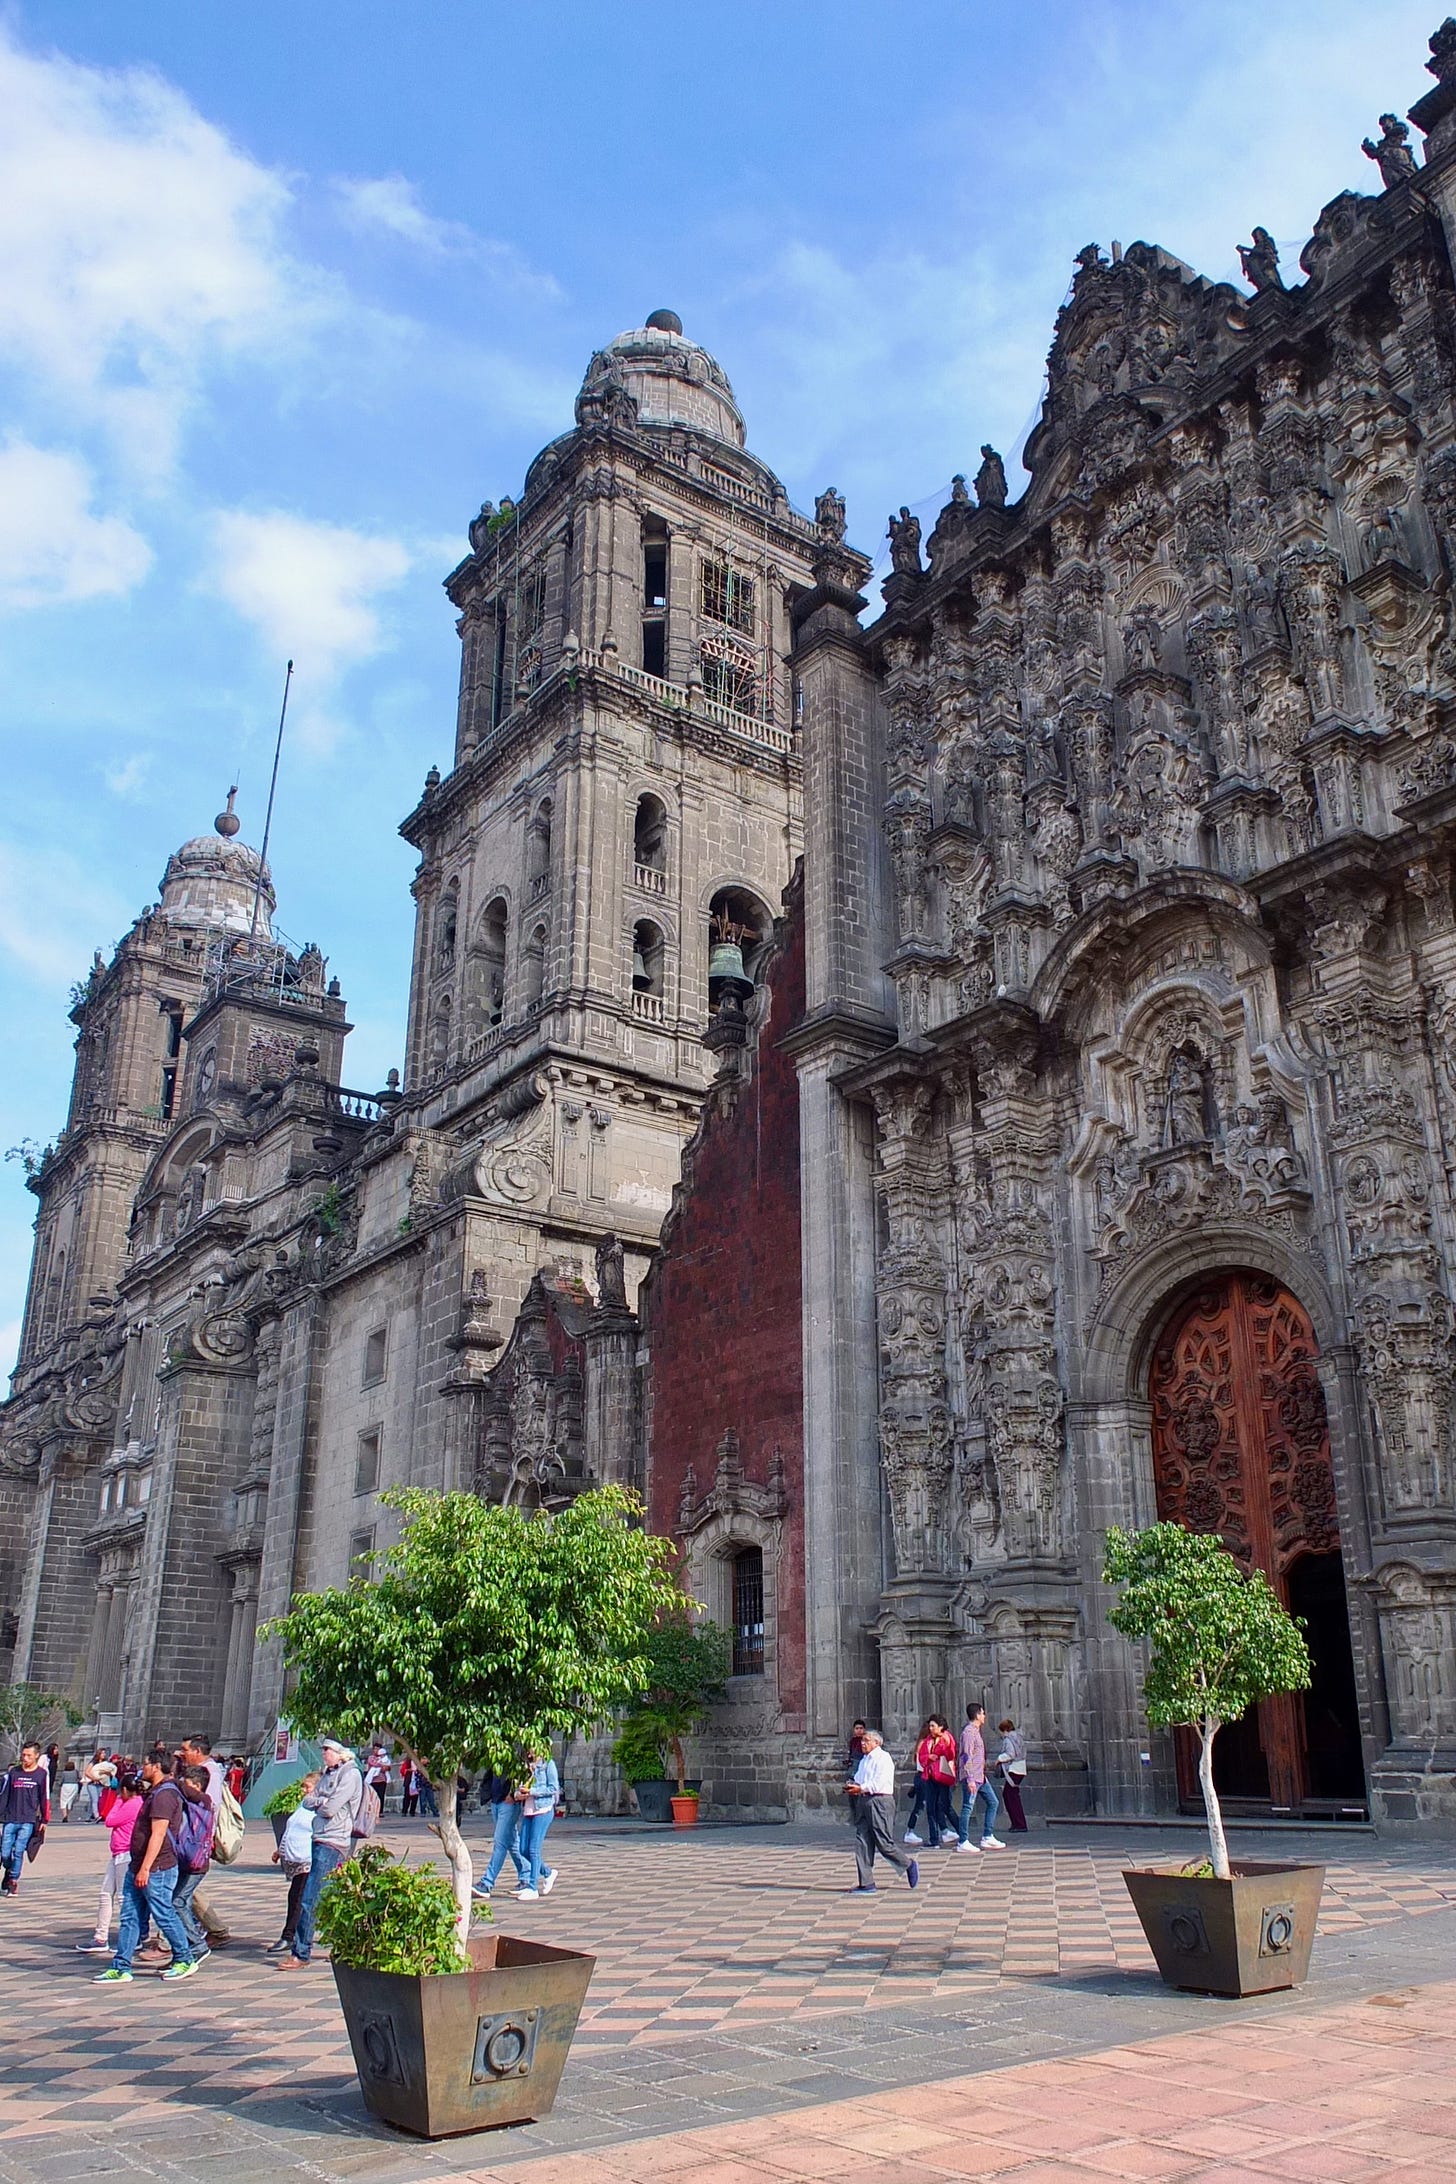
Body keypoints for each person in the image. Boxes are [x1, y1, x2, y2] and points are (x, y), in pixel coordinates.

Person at [93, 1753, 198, 1982]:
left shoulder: (165, 1795)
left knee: (164, 1914)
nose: (143, 1768)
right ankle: (121, 1966)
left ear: (157, 1767)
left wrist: (146, 1868)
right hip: (138, 1864)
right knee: (129, 1915)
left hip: (157, 1867)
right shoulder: (155, 1791)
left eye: (146, 1764)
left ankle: (185, 1958)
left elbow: (158, 1834)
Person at [279, 1736, 362, 1970]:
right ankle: (346, 1944)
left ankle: (301, 1952)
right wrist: (319, 1801)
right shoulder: (328, 1773)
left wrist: (319, 1801)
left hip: (334, 1839)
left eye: (327, 1749)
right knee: (331, 1896)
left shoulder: (350, 1774)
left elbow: (329, 1808)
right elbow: (309, 1800)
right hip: (320, 1836)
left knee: (311, 1896)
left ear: (340, 1752)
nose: (323, 1753)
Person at [77, 1767, 143, 1954]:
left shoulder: (133, 1804)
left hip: (127, 1853)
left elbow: (110, 1820)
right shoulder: (130, 1801)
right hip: (117, 1852)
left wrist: (118, 1800)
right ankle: (100, 1937)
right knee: (105, 1893)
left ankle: (131, 1937)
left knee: (124, 1897)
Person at [845, 1730, 918, 1894]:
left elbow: (879, 1783)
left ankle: (908, 1864)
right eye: (862, 1740)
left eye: (867, 1740)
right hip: (864, 1800)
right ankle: (866, 1882)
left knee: (884, 1843)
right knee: (862, 1841)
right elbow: (860, 1778)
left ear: (877, 1743)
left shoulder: (883, 1759)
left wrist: (862, 1787)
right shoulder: (864, 1760)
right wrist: (853, 1785)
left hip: (880, 1801)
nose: (863, 1743)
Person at [170, 1764, 217, 1963]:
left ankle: (197, 1944)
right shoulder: (192, 1803)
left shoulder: (204, 1801)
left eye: (188, 1785)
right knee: (184, 1901)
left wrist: (172, 1781)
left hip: (196, 1861)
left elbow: (189, 1793)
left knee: (177, 1902)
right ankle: (186, 1945)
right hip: (187, 1858)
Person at [267, 1772, 319, 1956]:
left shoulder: (319, 1808)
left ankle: (290, 1936)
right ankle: (295, 1935)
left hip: (308, 1859)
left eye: (308, 1787)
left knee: (299, 1898)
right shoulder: (304, 1805)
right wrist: (280, 1850)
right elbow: (292, 1828)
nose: (303, 1790)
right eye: (303, 1786)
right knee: (297, 1898)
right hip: (296, 1859)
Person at [0, 1743, 51, 1895]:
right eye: (23, 1755)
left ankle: (13, 1880)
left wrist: (44, 1820)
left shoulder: (41, 1774)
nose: (25, 1758)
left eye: (29, 1755)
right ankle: (9, 1869)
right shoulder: (14, 1772)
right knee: (5, 1852)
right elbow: (5, 1795)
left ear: (36, 1755)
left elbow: (44, 1797)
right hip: (11, 1817)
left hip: (28, 1819)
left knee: (19, 1850)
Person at [471, 1768, 530, 1901]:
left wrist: (513, 1793)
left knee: (500, 1842)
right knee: (512, 1843)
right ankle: (528, 1877)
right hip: (496, 1801)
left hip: (508, 1803)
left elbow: (523, 1772)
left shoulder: (515, 1751)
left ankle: (487, 1882)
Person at [956, 1702, 1006, 1852]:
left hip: (980, 1776)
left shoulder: (976, 1731)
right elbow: (966, 1756)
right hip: (972, 1777)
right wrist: (970, 1778)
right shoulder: (969, 1733)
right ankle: (963, 1841)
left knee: (993, 1802)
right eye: (983, 1713)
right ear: (977, 1715)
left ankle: (987, 1836)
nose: (984, 1716)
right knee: (967, 1807)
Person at [514, 1749, 560, 1902]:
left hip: (543, 1809)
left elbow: (553, 1788)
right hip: (529, 1810)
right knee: (523, 1849)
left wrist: (532, 1791)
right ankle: (547, 1872)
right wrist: (518, 1794)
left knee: (534, 1848)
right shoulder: (526, 1766)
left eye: (531, 1749)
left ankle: (532, 1887)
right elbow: (518, 1787)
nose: (529, 1752)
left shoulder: (548, 1764)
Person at [922, 1714, 959, 1846]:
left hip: (943, 1775)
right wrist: (928, 1757)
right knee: (931, 1808)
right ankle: (934, 1839)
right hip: (930, 1776)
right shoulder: (928, 1740)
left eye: (933, 1726)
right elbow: (922, 1756)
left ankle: (961, 1831)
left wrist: (941, 1750)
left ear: (941, 1727)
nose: (930, 1728)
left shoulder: (947, 1739)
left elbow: (950, 1755)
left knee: (945, 1806)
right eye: (930, 1726)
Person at [995, 1719, 1029, 1832]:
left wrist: (999, 1759)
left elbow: (1011, 1754)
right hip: (1020, 1768)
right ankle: (1017, 1823)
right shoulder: (1018, 1737)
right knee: (1010, 1795)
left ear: (1004, 1730)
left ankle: (1019, 1824)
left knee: (1011, 1796)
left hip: (1014, 1769)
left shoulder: (1008, 1739)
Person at [79, 1749, 116, 1824]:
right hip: (92, 1783)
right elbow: (87, 1772)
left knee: (93, 1800)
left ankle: (88, 1816)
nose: (104, 1754)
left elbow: (110, 1773)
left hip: (100, 1783)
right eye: (102, 1753)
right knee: (95, 1799)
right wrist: (94, 1778)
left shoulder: (105, 1763)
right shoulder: (93, 1763)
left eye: (104, 1753)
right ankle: (96, 1816)